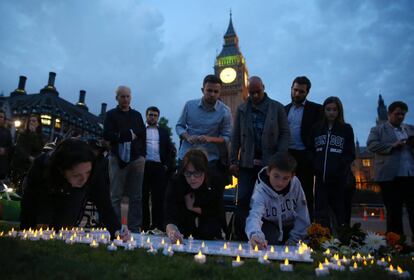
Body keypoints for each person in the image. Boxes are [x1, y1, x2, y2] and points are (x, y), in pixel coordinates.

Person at [20, 139, 128, 239]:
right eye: (77, 175)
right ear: (62, 170)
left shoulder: (94, 172)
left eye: (87, 172)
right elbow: (29, 203)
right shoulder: (42, 167)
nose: (84, 179)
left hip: (72, 194)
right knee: (41, 225)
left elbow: (104, 204)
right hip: (47, 187)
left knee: (64, 223)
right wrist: (27, 230)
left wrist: (117, 231)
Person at [230, 76, 290, 240]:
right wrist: (233, 161)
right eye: (251, 93)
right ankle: (241, 236)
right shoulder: (242, 109)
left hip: (269, 164)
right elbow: (235, 138)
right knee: (243, 199)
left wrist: (278, 157)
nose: (255, 96)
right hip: (247, 163)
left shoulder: (277, 108)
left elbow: (285, 133)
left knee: (268, 202)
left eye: (258, 92)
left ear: (264, 87)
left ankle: (268, 236)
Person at [175, 74, 232, 196]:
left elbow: (227, 137)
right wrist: (187, 136)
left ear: (220, 92)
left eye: (216, 91)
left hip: (209, 159)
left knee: (208, 196)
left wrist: (209, 139)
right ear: (202, 90)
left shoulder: (225, 111)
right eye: (209, 90)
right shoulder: (189, 105)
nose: (212, 94)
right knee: (181, 193)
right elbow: (179, 126)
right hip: (186, 154)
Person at [367, 101, 414, 236]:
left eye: (403, 114)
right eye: (397, 113)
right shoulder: (378, 129)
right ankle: (397, 245)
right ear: (389, 114)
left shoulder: (410, 129)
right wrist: (393, 145)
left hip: (410, 176)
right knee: (394, 213)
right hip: (391, 178)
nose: (400, 116)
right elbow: (371, 145)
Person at [103, 85, 146, 233]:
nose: (126, 99)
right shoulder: (110, 115)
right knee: (116, 195)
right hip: (117, 158)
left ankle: (134, 229)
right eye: (122, 96)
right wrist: (123, 136)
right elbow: (106, 134)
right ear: (117, 98)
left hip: (136, 159)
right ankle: (114, 228)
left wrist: (142, 155)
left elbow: (142, 133)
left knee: (136, 196)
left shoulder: (137, 115)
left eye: (128, 96)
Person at [245, 153, 310, 248]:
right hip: (270, 224)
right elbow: (255, 215)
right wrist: (255, 235)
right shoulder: (261, 190)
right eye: (276, 176)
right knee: (270, 240)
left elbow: (302, 212)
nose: (280, 182)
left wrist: (294, 239)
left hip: (290, 225)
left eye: (285, 178)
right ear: (268, 172)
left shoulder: (295, 184)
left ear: (292, 176)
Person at [310, 96, 355, 230]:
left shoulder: (346, 129)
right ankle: (321, 241)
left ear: (339, 111)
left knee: (340, 212)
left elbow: (350, 152)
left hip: (339, 179)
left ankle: (342, 241)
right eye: (328, 109)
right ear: (324, 110)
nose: (331, 112)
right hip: (320, 179)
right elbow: (310, 150)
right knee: (320, 213)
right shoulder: (316, 128)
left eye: (334, 110)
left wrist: (339, 167)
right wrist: (315, 165)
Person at [164, 149, 225, 242]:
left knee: (209, 231)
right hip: (184, 217)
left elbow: (216, 210)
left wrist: (192, 208)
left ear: (204, 171)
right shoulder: (176, 182)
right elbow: (169, 213)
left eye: (197, 173)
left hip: (208, 216)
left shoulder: (215, 181)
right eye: (188, 173)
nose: (192, 178)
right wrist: (172, 231)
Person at [285, 76, 322, 220]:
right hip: (288, 157)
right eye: (295, 90)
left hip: (306, 157)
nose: (297, 94)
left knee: (305, 194)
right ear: (291, 89)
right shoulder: (284, 109)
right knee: (286, 192)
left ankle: (308, 226)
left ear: (307, 92)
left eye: (301, 91)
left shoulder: (316, 110)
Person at [142, 106, 175, 231]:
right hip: (144, 165)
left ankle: (157, 225)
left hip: (159, 167)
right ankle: (144, 225)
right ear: (146, 115)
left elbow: (169, 150)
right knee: (143, 196)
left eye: (155, 115)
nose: (153, 117)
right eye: (150, 115)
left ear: (158, 117)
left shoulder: (163, 132)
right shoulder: (141, 130)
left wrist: (166, 165)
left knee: (158, 197)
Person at [11, 114, 44, 192]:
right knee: (14, 187)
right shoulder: (23, 133)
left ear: (38, 123)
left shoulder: (40, 137)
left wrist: (34, 134)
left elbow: (39, 148)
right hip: (19, 165)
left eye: (34, 121)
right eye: (30, 121)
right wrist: (28, 157)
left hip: (30, 167)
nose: (31, 123)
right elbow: (19, 147)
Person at [0, 110, 13, 180]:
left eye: (1, 117)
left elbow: (11, 147)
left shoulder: (7, 132)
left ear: (4, 119)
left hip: (2, 166)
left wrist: (4, 150)